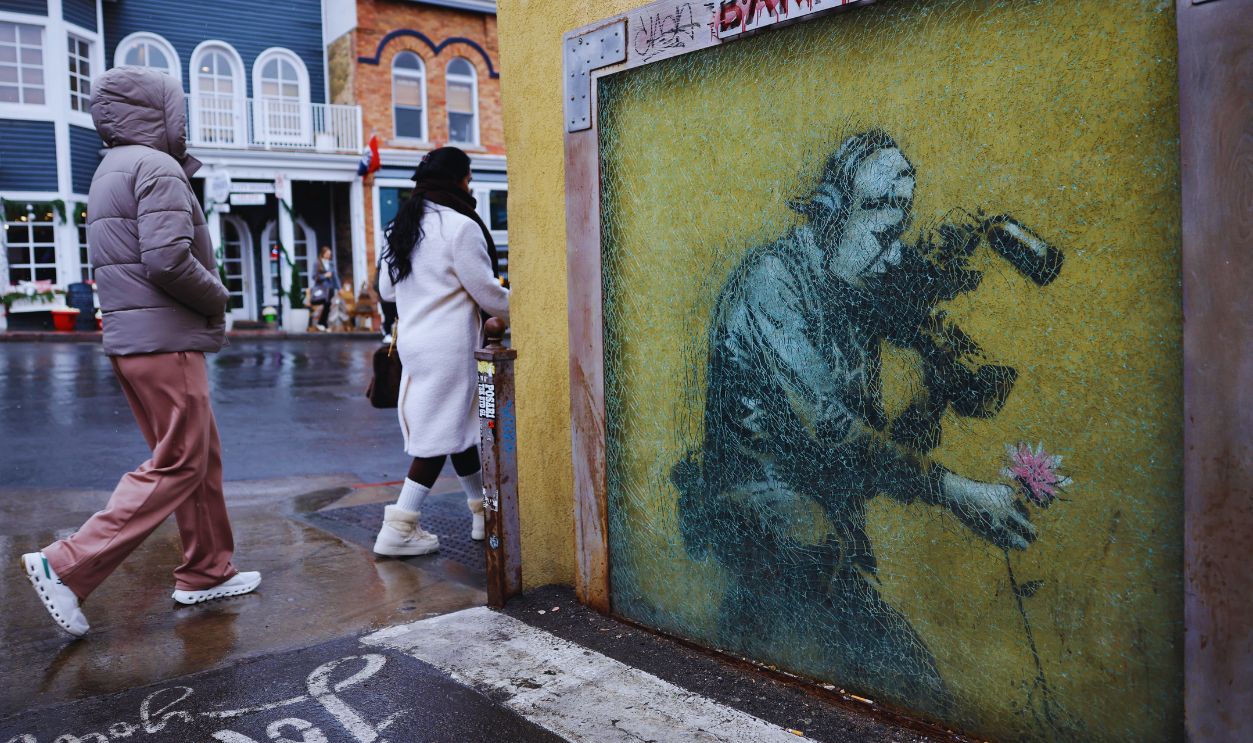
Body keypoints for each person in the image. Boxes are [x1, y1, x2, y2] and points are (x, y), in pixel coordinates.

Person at [672, 130, 1049, 716]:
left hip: (823, 534)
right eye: (883, 229)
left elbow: (876, 453)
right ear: (831, 215)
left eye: (903, 226)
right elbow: (830, 430)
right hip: (766, 522)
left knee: (761, 675)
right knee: (911, 683)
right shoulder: (772, 283)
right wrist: (957, 492)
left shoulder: (852, 289)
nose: (895, 253)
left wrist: (936, 387)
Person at [19, 66, 259, 638]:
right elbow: (168, 260)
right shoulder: (157, 167)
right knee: (179, 463)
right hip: (167, 338)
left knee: (197, 460)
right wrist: (219, 298)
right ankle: (66, 564)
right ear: (159, 114)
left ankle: (205, 571)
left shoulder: (110, 168)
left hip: (136, 341)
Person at [374, 147, 509, 555]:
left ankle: (481, 512)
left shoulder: (400, 225)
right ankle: (400, 526)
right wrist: (530, 308)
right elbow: (485, 290)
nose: (469, 186)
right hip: (451, 346)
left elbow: (386, 291)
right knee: (436, 436)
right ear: (457, 179)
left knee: (459, 431)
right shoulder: (460, 226)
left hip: (416, 343)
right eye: (468, 179)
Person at [313, 246, 340, 331]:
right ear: (323, 253)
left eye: (330, 254)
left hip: (330, 288)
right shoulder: (317, 263)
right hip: (321, 288)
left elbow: (335, 276)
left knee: (328, 306)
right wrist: (324, 276)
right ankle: (322, 323)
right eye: (327, 254)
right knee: (326, 305)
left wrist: (339, 287)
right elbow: (314, 276)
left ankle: (323, 324)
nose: (329, 256)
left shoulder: (331, 263)